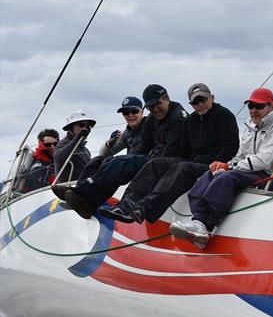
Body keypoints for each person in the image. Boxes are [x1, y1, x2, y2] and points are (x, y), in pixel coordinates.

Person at [170, 87, 273, 249]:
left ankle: (208, 226)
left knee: (228, 177)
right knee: (212, 173)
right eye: (250, 106)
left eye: (259, 106)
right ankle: (198, 220)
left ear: (271, 107)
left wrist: (230, 166)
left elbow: (264, 159)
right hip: (260, 173)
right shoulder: (252, 126)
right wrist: (224, 166)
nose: (254, 110)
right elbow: (240, 156)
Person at [98, 82, 239, 224]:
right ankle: (126, 205)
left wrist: (218, 163)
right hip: (193, 161)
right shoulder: (191, 120)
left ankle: (144, 208)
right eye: (195, 102)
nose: (199, 104)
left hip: (213, 165)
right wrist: (169, 164)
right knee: (156, 163)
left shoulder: (224, 116)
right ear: (191, 104)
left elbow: (231, 146)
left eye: (202, 99)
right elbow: (184, 150)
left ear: (212, 98)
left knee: (182, 168)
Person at [56, 86, 188, 219]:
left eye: (134, 111)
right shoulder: (144, 123)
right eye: (150, 106)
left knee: (123, 162)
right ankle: (84, 199)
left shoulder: (177, 118)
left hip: (171, 161)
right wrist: (116, 154)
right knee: (104, 160)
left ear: (167, 99)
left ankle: (91, 197)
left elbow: (171, 153)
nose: (154, 109)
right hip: (154, 158)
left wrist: (131, 162)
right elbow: (144, 146)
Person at [77, 95, 149, 180]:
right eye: (126, 112)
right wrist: (110, 143)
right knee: (98, 160)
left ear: (142, 112)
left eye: (134, 111)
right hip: (132, 170)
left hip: (147, 167)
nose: (130, 115)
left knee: (118, 161)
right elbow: (104, 154)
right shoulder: (127, 133)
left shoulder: (150, 125)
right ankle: (81, 187)